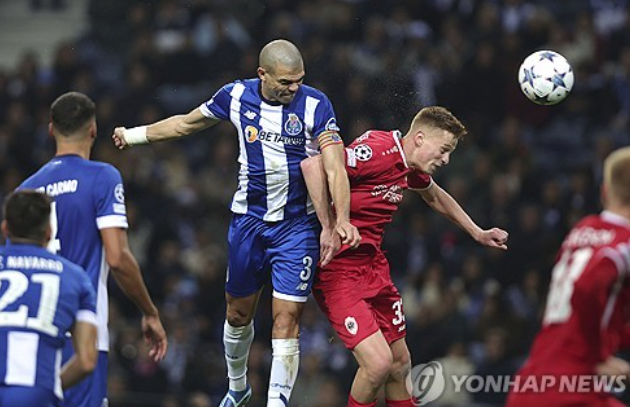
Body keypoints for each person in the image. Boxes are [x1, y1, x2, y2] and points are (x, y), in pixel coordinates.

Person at [112, 39, 360, 407]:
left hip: (297, 227)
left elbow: (335, 165)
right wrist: (133, 135)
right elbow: (185, 124)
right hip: (249, 223)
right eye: (286, 82)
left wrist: (342, 219)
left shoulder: (316, 104)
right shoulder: (236, 95)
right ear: (263, 74)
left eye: (299, 80)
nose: (294, 88)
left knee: (286, 318)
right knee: (237, 313)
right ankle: (238, 388)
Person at [301, 106, 509, 407]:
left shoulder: (409, 165)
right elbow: (314, 166)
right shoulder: (378, 150)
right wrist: (331, 225)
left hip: (373, 269)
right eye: (444, 150)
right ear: (420, 138)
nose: (446, 160)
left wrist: (477, 232)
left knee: (400, 365)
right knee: (378, 365)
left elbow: (434, 195)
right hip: (339, 272)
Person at [19, 92, 167, 407]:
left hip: (30, 334)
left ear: (51, 129)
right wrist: (149, 312)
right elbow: (117, 257)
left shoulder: (25, 190)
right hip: (81, 332)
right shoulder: (102, 177)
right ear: (93, 130)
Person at [505, 146, 630, 407]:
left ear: (604, 192)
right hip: (573, 388)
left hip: (532, 381)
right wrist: (598, 357)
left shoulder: (581, 230)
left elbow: (590, 313)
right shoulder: (625, 243)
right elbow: (587, 287)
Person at [0, 190, 98, 407]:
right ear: (49, 232)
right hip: (36, 393)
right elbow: (87, 360)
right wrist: (54, 385)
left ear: (5, 229)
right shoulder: (76, 278)